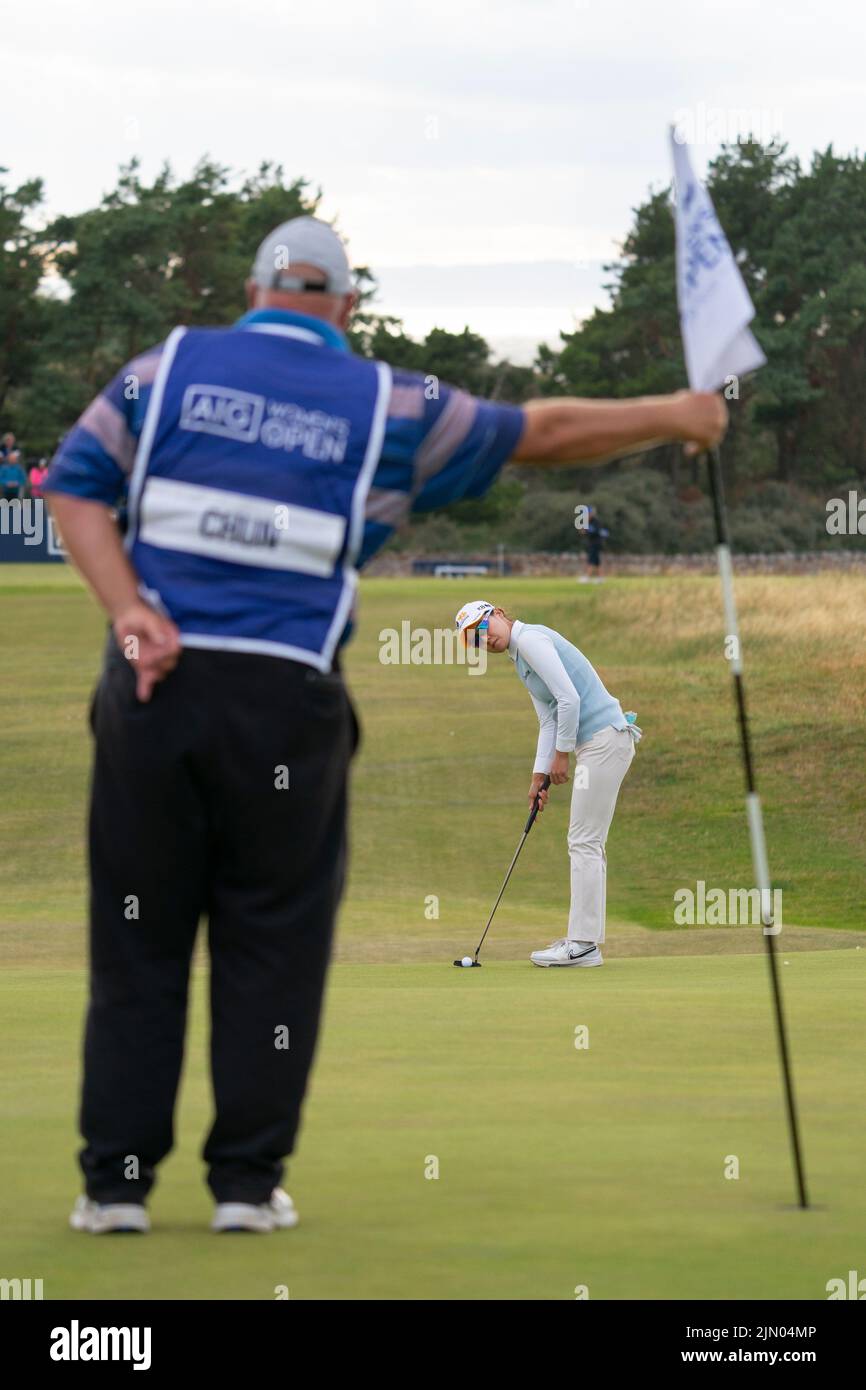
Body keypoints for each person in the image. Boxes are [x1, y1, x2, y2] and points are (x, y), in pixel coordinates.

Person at [44, 213, 726, 1236]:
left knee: (137, 945)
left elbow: (74, 485)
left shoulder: (168, 364)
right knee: (269, 946)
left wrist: (130, 611)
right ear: (347, 306)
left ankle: (114, 1190)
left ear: (253, 289)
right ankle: (243, 1187)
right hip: (285, 704)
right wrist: (676, 412)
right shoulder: (384, 400)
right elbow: (536, 431)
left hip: (152, 689)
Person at [455, 601, 639, 966]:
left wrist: (561, 756)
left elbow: (569, 698)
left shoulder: (532, 639)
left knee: (584, 840)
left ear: (499, 614)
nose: (483, 639)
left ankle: (583, 945)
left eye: (482, 626)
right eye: (474, 639)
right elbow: (550, 718)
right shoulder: (520, 660)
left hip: (603, 739)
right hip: (597, 742)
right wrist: (538, 776)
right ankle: (583, 940)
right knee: (586, 840)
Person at [581, 505, 609, 582]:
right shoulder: (587, 522)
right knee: (597, 561)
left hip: (596, 543)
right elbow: (586, 533)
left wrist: (586, 531)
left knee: (591, 559)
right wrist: (584, 532)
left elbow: (597, 532)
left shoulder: (596, 522)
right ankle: (601, 578)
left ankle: (587, 577)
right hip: (591, 543)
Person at [0, 433, 26, 501]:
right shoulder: (2, 447)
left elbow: (16, 457)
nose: (10, 442)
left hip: (14, 468)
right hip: (3, 468)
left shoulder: (16, 448)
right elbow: (1, 459)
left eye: (11, 440)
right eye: (8, 440)